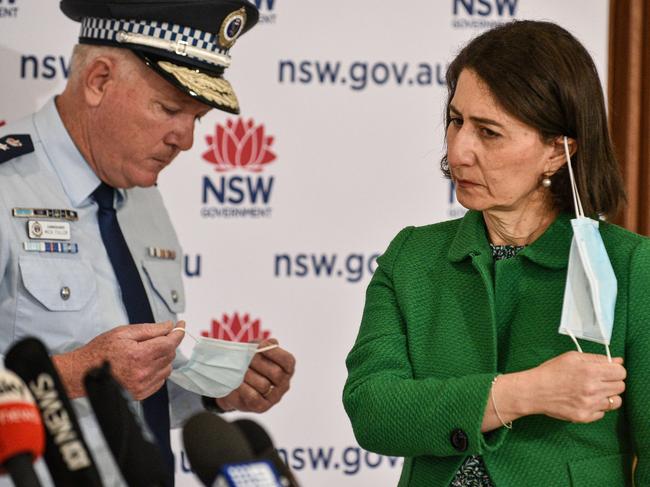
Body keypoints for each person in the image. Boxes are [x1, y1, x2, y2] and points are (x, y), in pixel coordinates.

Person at [0, 1, 295, 486]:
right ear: (98, 80)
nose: (186, 139)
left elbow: (131, 394)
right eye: (170, 108)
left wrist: (215, 393)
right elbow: (91, 377)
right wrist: (75, 373)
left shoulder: (142, 197)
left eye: (197, 117)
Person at [343, 20, 649, 487]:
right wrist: (526, 392)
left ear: (557, 150)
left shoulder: (630, 266)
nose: (459, 149)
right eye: (455, 120)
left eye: (489, 132)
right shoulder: (413, 255)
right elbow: (373, 412)